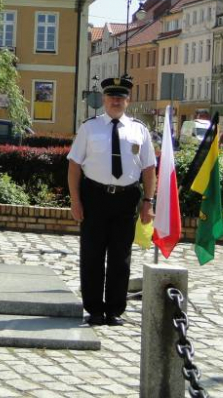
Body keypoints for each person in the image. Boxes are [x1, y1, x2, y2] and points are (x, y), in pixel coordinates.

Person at [67, 76, 156, 326]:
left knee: (121, 257)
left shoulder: (139, 130)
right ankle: (94, 309)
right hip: (94, 197)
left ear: (128, 100)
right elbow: (74, 166)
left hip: (126, 199)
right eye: (111, 96)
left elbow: (149, 168)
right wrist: (75, 201)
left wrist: (148, 202)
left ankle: (115, 310)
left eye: (121, 97)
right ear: (104, 99)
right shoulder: (89, 128)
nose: (116, 101)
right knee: (92, 255)